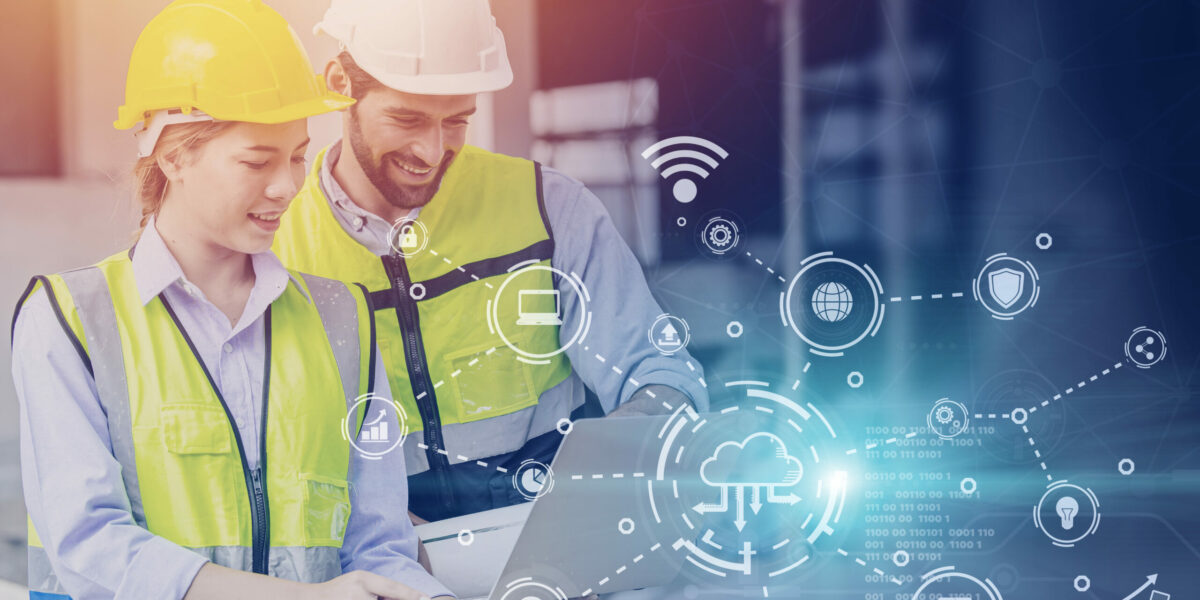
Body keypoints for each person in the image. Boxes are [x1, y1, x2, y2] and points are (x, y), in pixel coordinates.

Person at [11, 2, 451, 599]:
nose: (288, 187)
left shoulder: (343, 317)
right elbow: (90, 546)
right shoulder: (68, 320)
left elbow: (379, 542)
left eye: (297, 156)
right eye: (256, 160)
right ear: (172, 156)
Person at [271, 0, 711, 524]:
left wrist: (609, 469)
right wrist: (374, 528)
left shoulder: (549, 208)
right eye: (406, 118)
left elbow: (659, 371)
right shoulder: (274, 248)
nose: (432, 152)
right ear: (341, 84)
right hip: (387, 567)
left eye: (456, 121)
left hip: (554, 548)